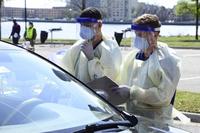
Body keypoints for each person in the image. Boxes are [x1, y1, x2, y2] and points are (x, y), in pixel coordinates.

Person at [112, 14, 181, 124]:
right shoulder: (132, 56)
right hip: (132, 119)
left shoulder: (168, 59)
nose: (138, 38)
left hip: (156, 123)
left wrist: (132, 92)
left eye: (142, 34)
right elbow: (121, 81)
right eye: (136, 34)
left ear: (156, 34)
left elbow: (163, 96)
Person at [54, 7, 122, 83]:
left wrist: (91, 59)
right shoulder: (78, 46)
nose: (84, 28)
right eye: (82, 25)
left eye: (88, 25)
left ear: (99, 25)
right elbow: (66, 69)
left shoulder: (110, 49)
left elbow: (108, 81)